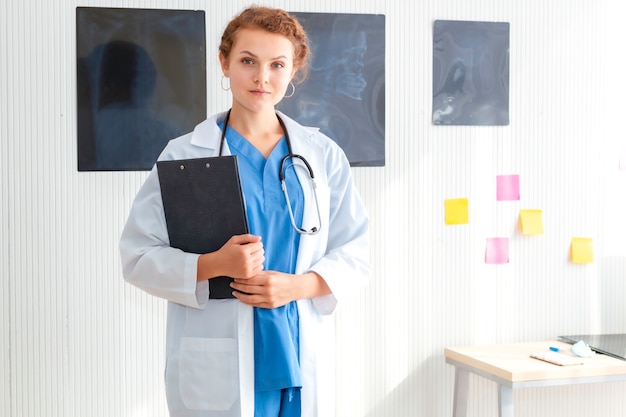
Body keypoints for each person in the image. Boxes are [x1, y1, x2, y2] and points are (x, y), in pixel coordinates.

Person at [120, 6, 370, 417]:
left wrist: (297, 286)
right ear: (224, 62)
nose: (262, 78)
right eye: (248, 61)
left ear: (294, 71)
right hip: (217, 362)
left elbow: (355, 254)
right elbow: (138, 257)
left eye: (277, 64)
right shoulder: (185, 154)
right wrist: (212, 264)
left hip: (296, 349)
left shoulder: (322, 156)